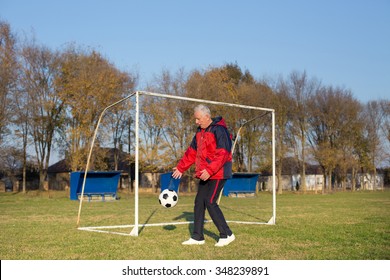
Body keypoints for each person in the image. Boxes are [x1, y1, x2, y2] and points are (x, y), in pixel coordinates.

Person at [172, 104, 235, 247]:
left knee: (210, 201)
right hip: (205, 173)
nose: (196, 122)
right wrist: (181, 168)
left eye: (198, 119)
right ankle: (197, 237)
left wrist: (210, 170)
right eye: (195, 119)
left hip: (218, 173)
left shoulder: (220, 130)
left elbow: (223, 154)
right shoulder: (199, 133)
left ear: (207, 116)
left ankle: (227, 234)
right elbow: (191, 152)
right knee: (199, 202)